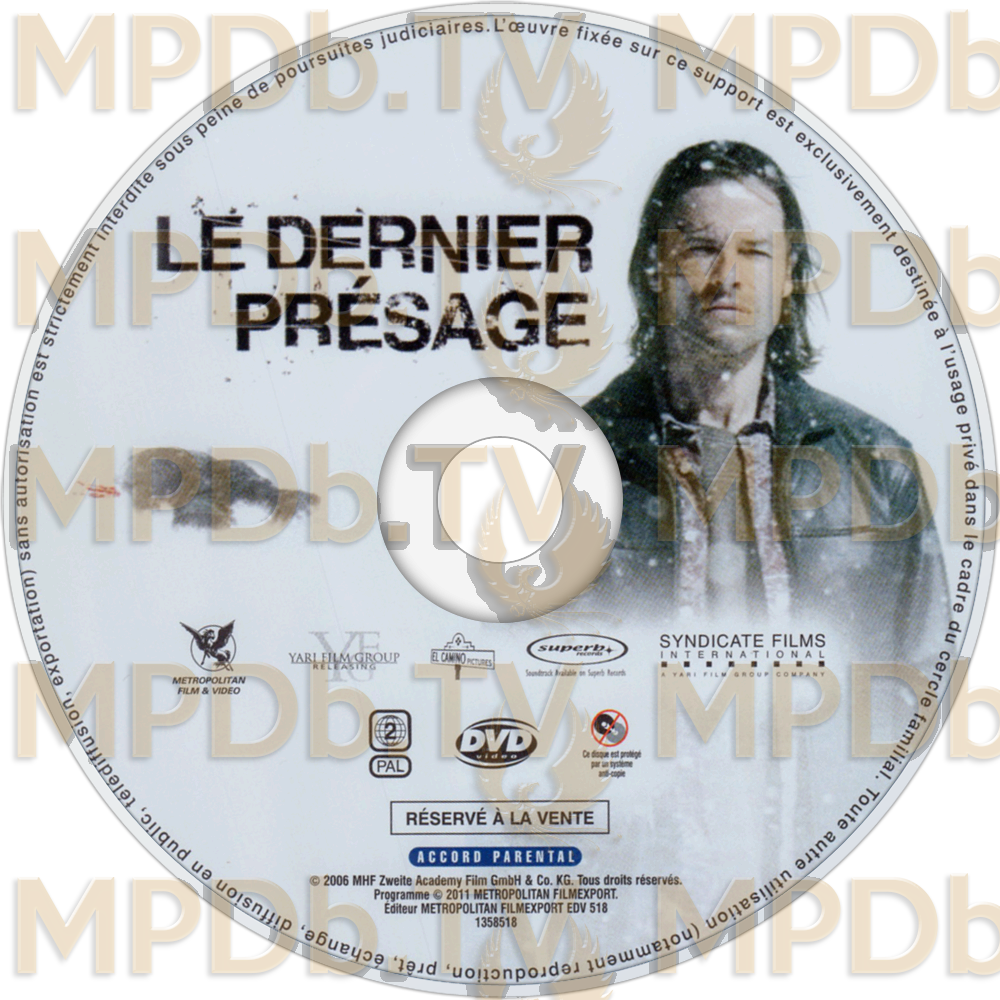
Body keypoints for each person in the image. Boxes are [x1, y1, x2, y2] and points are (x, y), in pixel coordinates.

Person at [582, 140, 947, 669]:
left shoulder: (879, 465)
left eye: (754, 252)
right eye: (701, 248)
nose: (727, 277)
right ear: (654, 268)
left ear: (789, 276)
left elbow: (927, 678)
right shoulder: (565, 464)